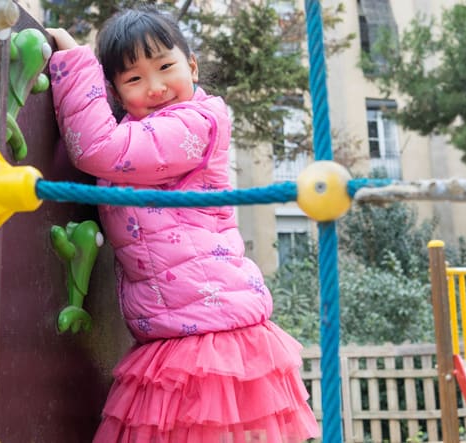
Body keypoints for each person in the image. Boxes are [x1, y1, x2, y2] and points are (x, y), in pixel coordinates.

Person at [47, 5, 320, 443]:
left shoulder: (196, 122)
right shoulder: (144, 130)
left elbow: (98, 147)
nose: (154, 87)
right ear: (116, 93)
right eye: (134, 79)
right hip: (171, 329)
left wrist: (75, 63)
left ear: (191, 66)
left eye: (165, 67)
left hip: (209, 330)